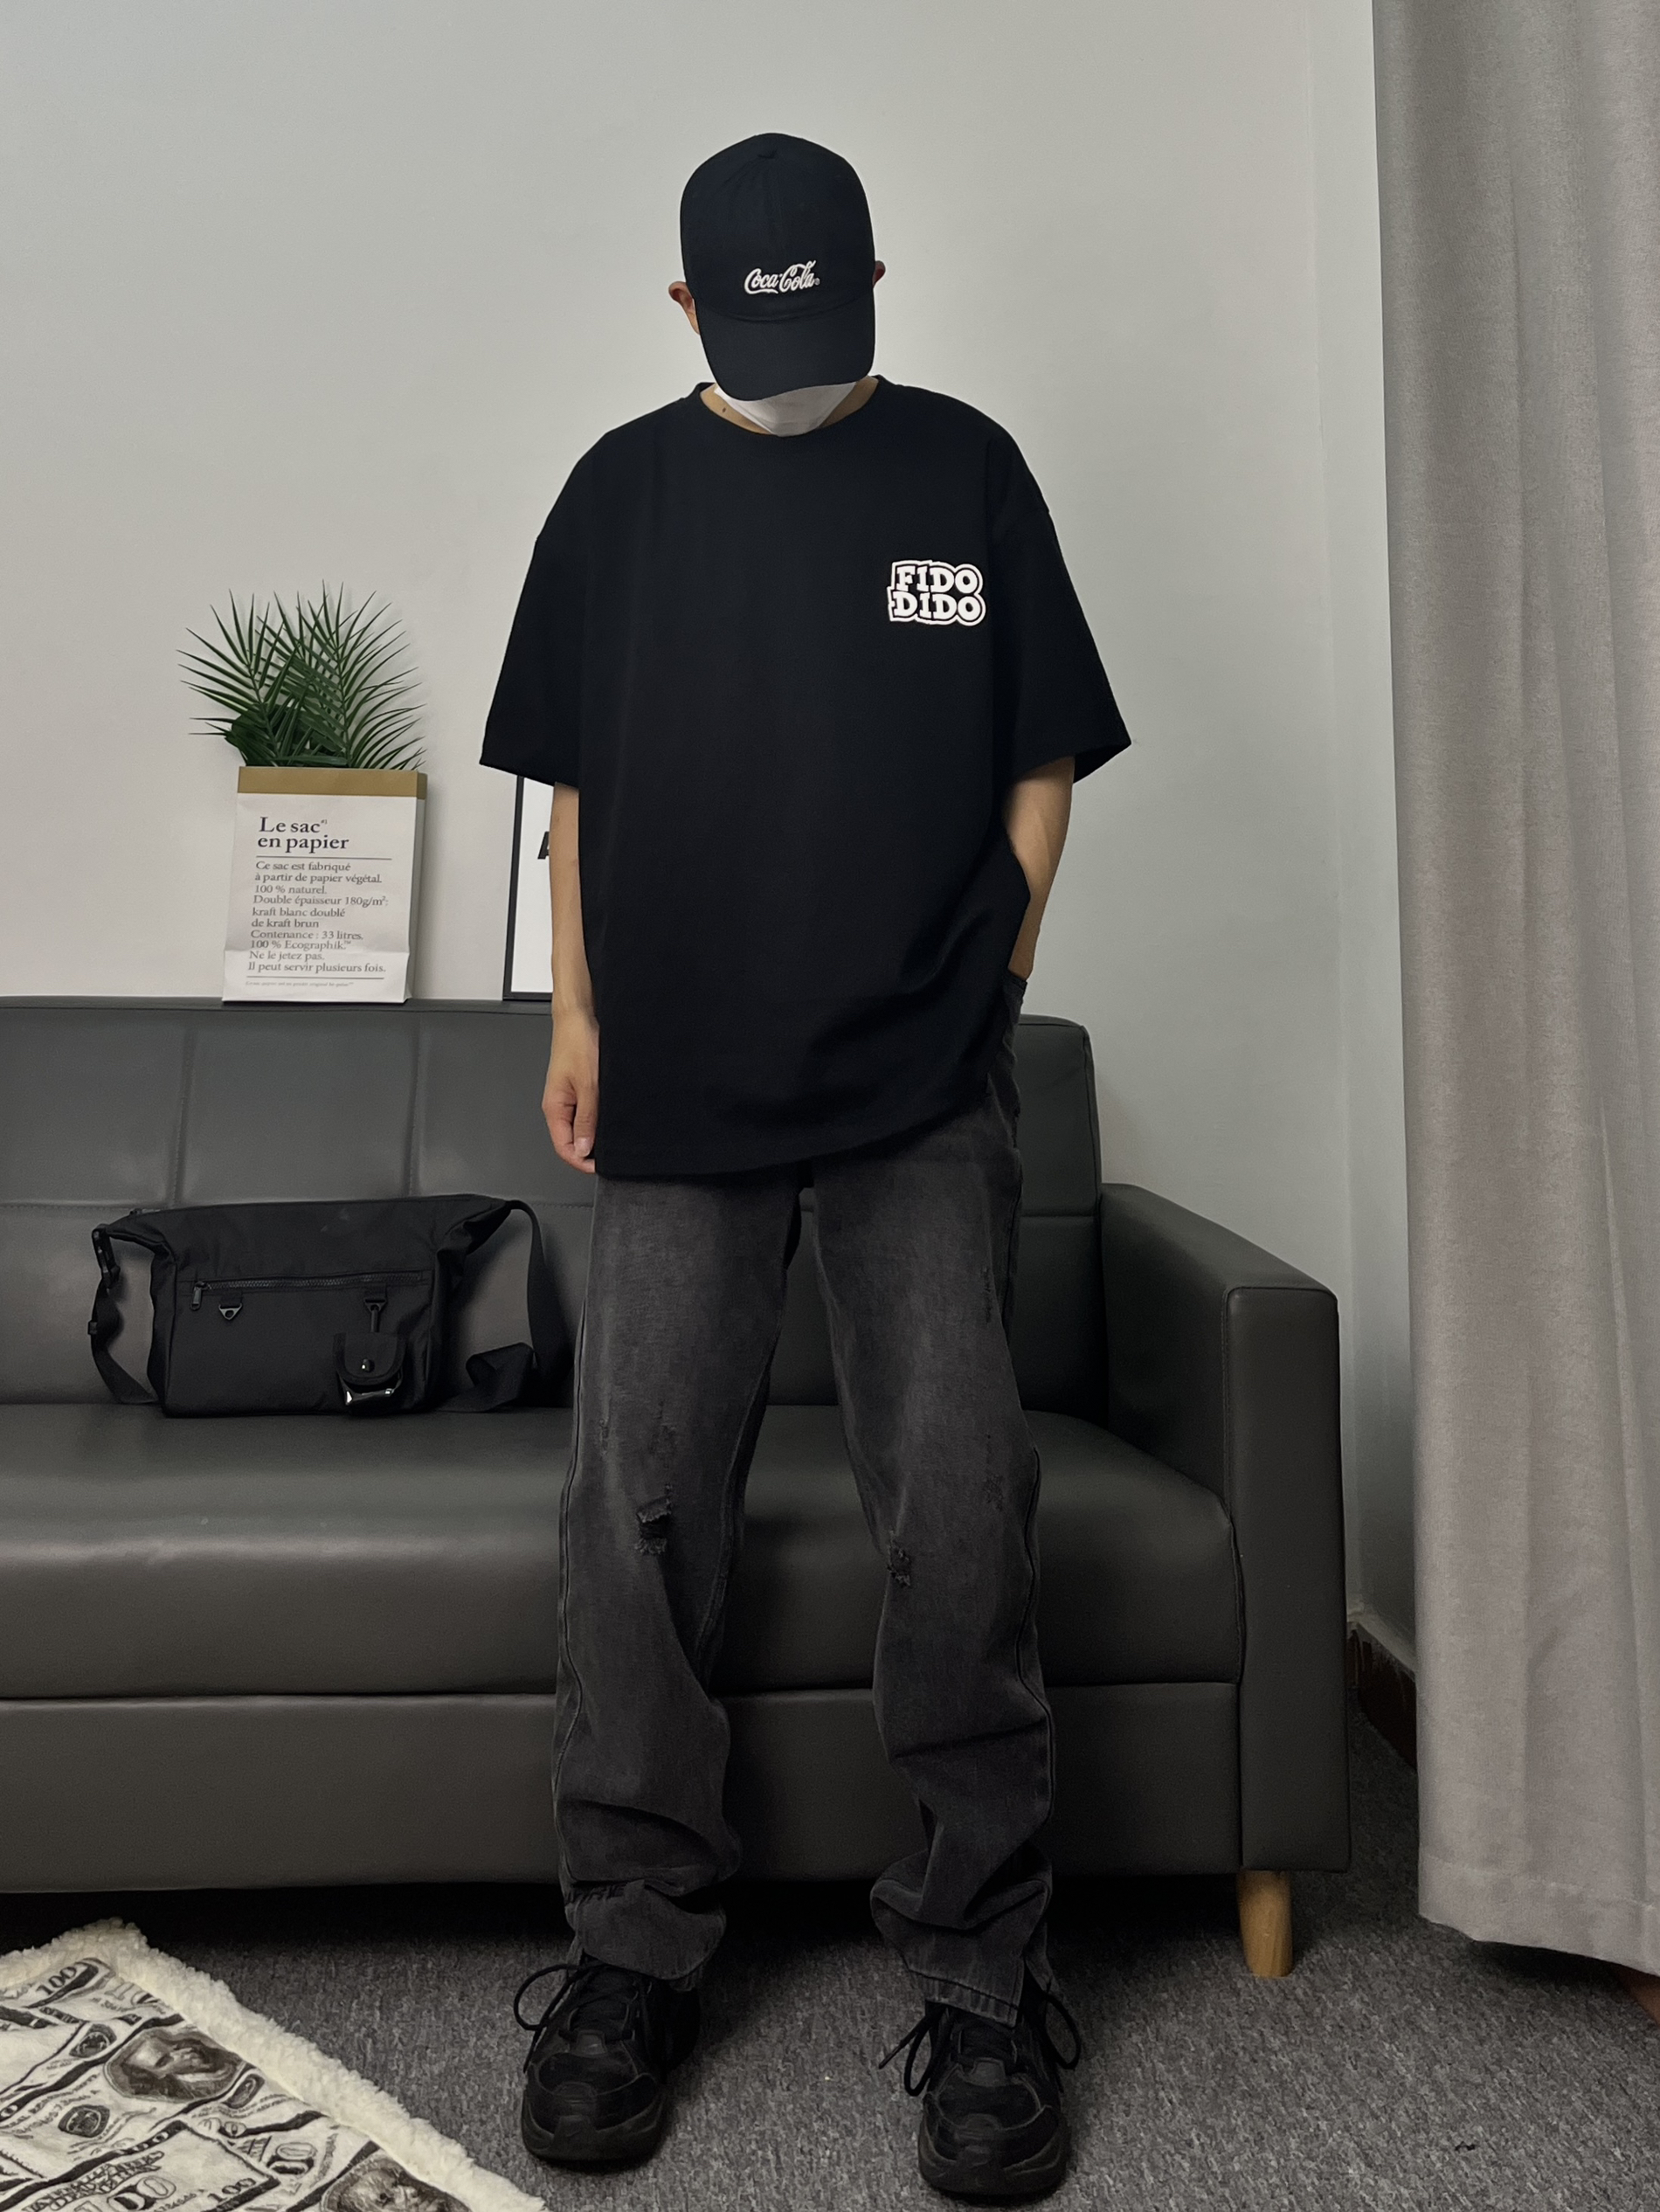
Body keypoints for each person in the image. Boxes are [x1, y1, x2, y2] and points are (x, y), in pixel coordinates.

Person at [481, 131, 1129, 2202]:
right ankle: (631, 1952)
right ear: (685, 309)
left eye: (824, 322)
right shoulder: (617, 494)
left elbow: (1041, 752)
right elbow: (572, 792)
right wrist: (575, 1018)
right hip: (678, 1079)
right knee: (638, 1513)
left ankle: (979, 1966)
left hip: (920, 1088)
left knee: (957, 1508)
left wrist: (992, 979)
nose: (792, 360)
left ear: (869, 285)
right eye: (748, 329)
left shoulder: (965, 470)